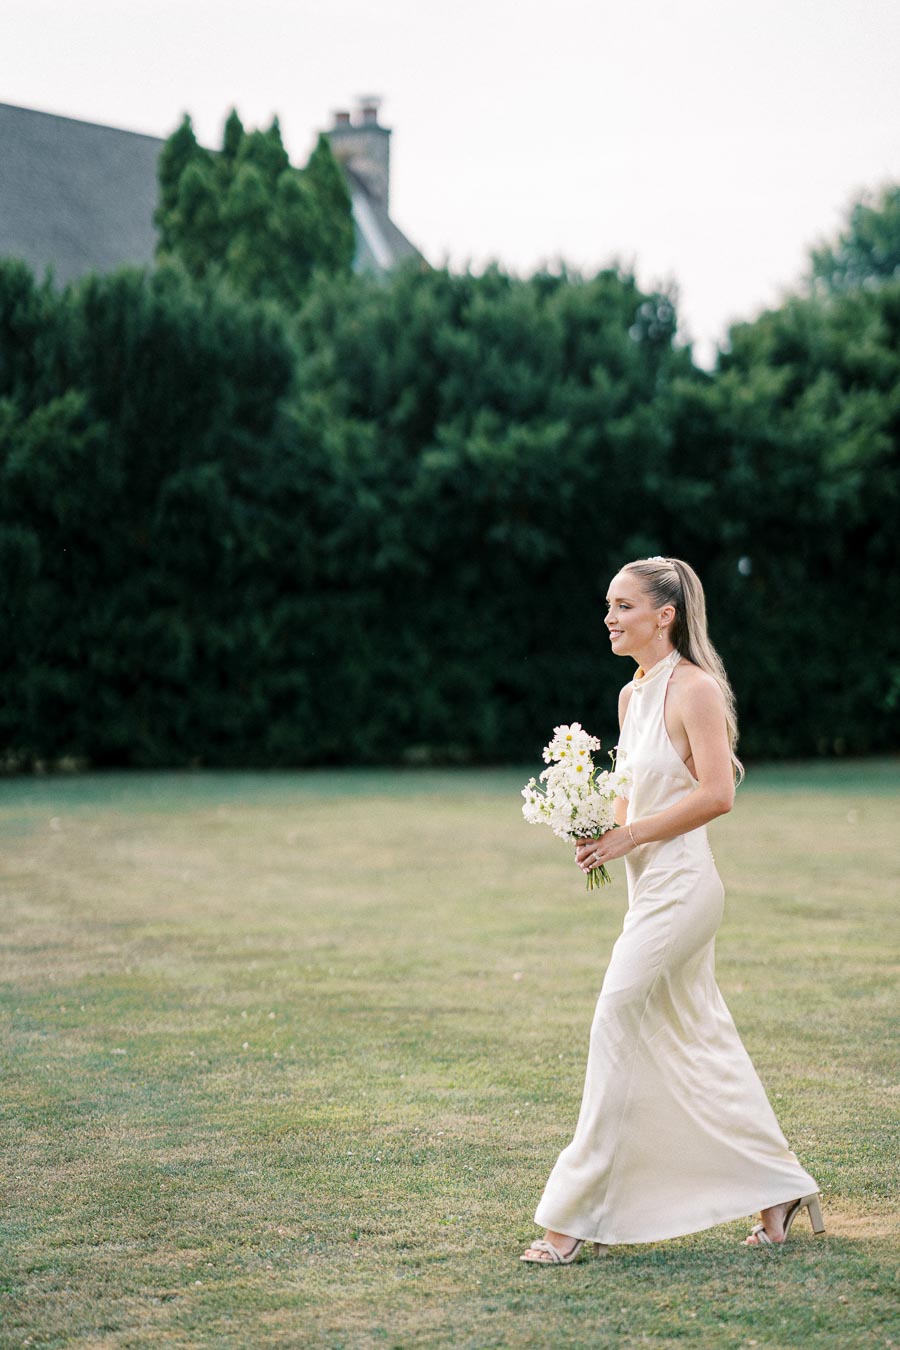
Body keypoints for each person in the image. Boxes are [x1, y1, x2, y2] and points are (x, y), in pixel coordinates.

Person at [520, 556, 824, 1265]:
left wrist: (629, 834)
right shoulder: (632, 698)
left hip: (686, 890)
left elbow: (718, 794)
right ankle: (778, 1188)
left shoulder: (697, 691)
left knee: (615, 1017)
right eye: (607, 605)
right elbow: (635, 792)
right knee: (702, 1037)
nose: (609, 618)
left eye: (623, 606)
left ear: (666, 615)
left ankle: (570, 1219)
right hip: (644, 887)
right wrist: (600, 829)